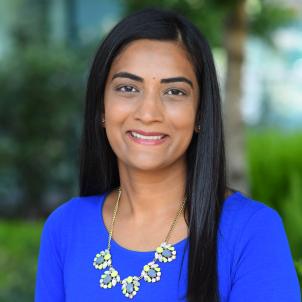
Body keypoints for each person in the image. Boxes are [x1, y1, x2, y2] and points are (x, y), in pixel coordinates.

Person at [35, 8, 301, 302]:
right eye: (127, 88)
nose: (148, 113)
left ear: (200, 113)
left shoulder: (251, 231)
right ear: (101, 107)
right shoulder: (65, 227)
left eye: (174, 92)